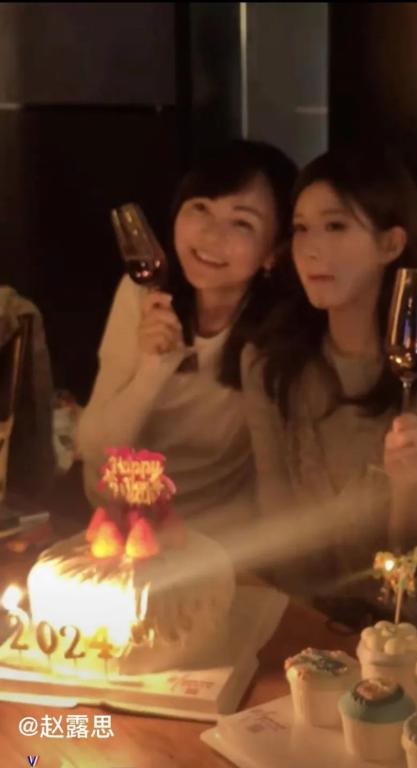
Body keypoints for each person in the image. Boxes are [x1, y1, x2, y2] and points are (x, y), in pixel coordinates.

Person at [241, 145, 417, 688]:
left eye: (335, 226)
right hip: (318, 625)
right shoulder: (270, 365)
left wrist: (409, 485)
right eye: (301, 228)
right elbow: (277, 516)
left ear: (390, 244)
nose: (311, 248)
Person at [77, 140, 297, 540]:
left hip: (215, 537)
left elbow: (273, 474)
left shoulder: (278, 330)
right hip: (114, 527)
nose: (211, 235)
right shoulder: (143, 294)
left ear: (274, 252)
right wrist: (152, 369)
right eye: (201, 208)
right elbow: (92, 448)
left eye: (242, 223)